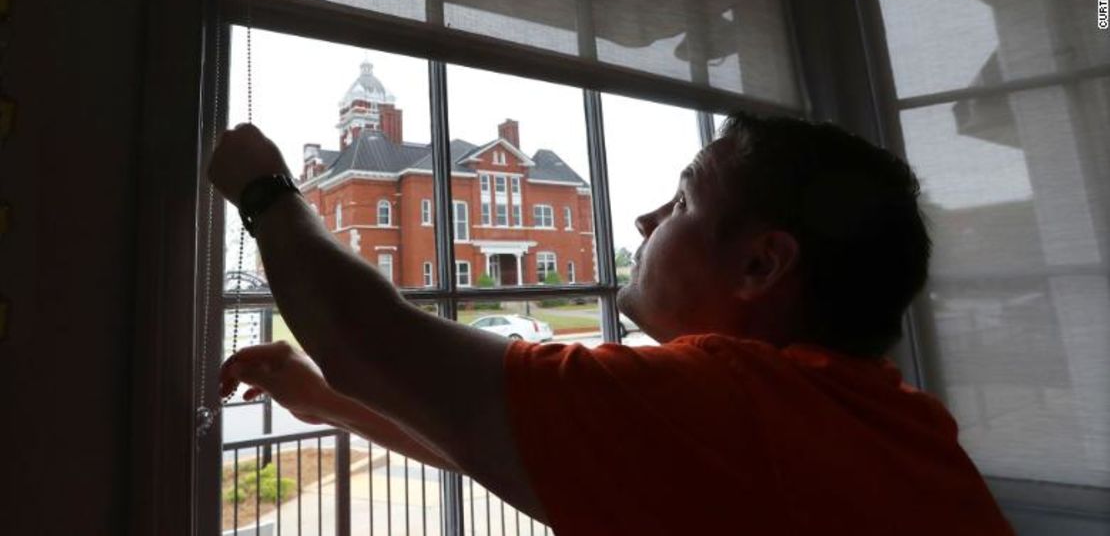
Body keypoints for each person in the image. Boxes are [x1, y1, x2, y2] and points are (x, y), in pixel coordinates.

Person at [210, 114, 1013, 535]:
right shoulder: (885, 422)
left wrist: (266, 191)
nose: (642, 216)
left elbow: (373, 339)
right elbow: (516, 434)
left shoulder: (735, 404)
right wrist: (327, 402)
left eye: (684, 200)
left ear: (761, 266)